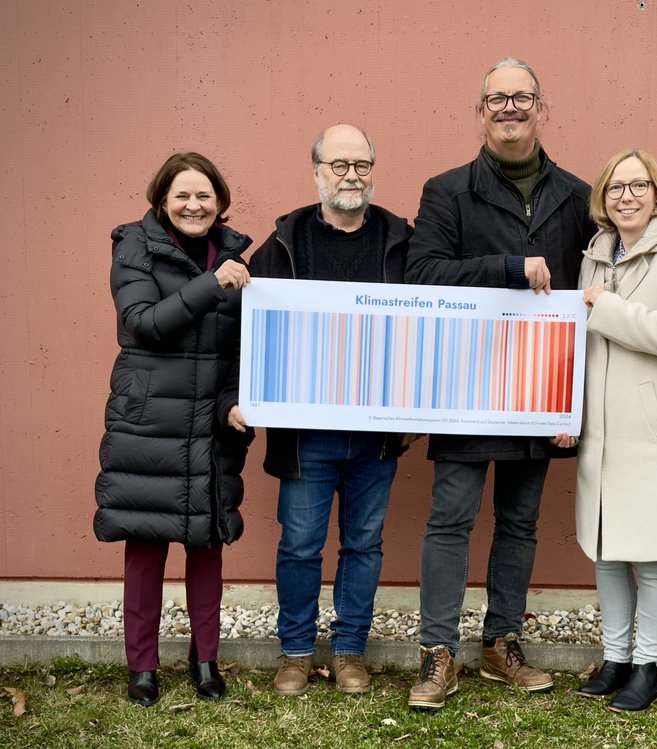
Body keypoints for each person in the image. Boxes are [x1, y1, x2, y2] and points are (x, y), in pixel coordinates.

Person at [404, 57, 594, 710]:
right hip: (467, 386)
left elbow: (598, 289)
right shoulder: (446, 191)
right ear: (479, 111)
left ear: (543, 108)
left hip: (540, 389)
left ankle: (500, 642)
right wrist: (509, 267)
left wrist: (578, 396)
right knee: (450, 518)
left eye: (522, 97)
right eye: (497, 98)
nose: (509, 107)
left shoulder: (578, 195)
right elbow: (421, 274)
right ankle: (437, 651)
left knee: (519, 521)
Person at [231, 124, 412, 696]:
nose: (351, 175)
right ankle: (295, 651)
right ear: (316, 173)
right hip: (306, 432)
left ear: (373, 171)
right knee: (301, 543)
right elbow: (248, 328)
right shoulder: (283, 243)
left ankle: (350, 651)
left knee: (364, 543)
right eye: (339, 165)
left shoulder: (401, 240)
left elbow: (436, 316)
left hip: (379, 432)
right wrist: (242, 394)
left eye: (361, 164)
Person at [94, 152, 253, 706]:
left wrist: (235, 403)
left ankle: (205, 658)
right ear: (162, 200)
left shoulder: (233, 254)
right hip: (150, 423)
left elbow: (237, 351)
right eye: (182, 195)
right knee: (145, 544)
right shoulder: (133, 247)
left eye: (204, 196)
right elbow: (143, 324)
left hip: (210, 425)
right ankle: (142, 664)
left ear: (221, 203)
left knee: (207, 542)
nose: (194, 205)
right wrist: (212, 284)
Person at [573, 149, 657, 712]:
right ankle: (615, 657)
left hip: (653, 435)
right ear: (602, 199)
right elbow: (579, 345)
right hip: (600, 437)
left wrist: (605, 306)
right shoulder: (597, 254)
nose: (625, 196)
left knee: (651, 559)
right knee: (607, 552)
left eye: (637, 185)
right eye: (614, 187)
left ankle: (648, 666)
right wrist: (567, 414)